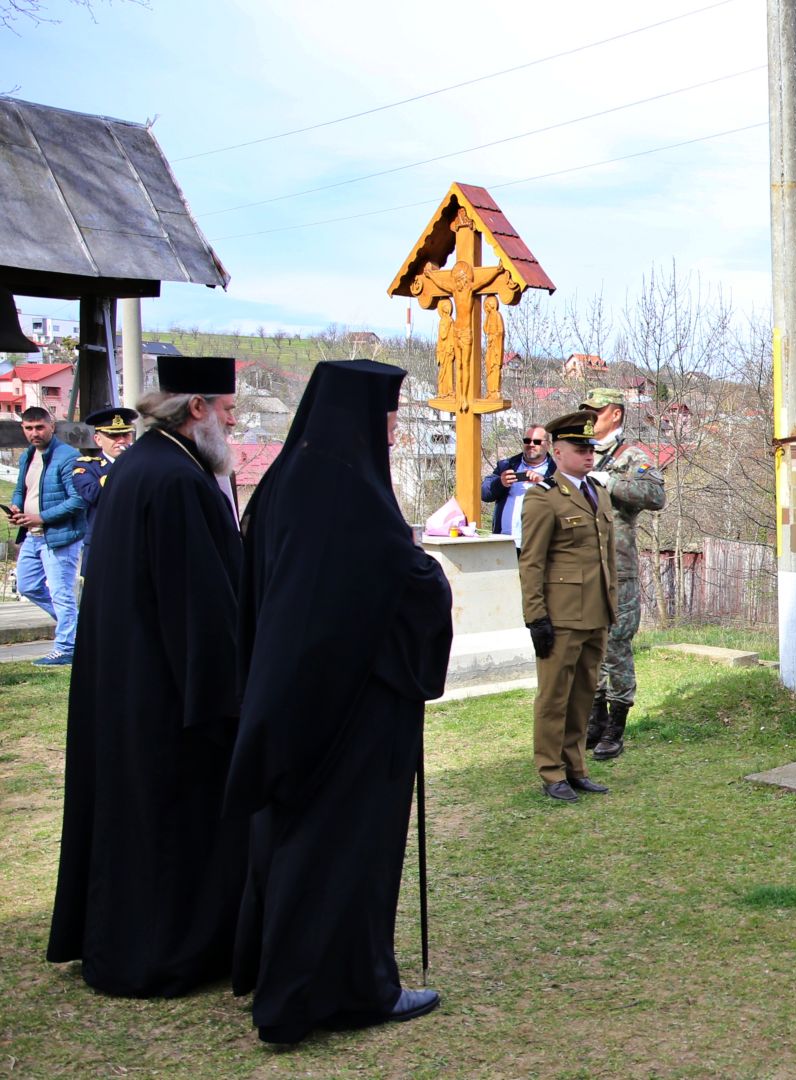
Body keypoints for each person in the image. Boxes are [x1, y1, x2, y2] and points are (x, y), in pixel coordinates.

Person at [227, 360, 452, 1044]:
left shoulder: (285, 479)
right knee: (345, 851)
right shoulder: (348, 493)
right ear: (360, 417)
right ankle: (345, 991)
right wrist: (426, 569)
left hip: (293, 704)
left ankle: (283, 976)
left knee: (295, 845)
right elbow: (399, 586)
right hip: (353, 712)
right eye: (389, 417)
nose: (393, 431)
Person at [46, 356, 246, 996]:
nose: (232, 424)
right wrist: (226, 698)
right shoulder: (177, 479)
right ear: (197, 409)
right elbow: (199, 607)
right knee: (165, 823)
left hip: (128, 680)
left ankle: (121, 939)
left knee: (129, 817)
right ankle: (163, 954)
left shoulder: (142, 464)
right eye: (228, 411)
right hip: (168, 691)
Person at [519, 410, 616, 802]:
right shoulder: (543, 498)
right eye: (579, 449)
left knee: (583, 695)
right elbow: (532, 562)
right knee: (554, 697)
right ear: (557, 452)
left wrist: (611, 606)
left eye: (590, 448)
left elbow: (607, 557)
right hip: (561, 616)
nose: (588, 455)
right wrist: (536, 617)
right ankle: (551, 771)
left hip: (595, 612)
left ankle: (575, 767)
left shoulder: (599, 492)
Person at [580, 387, 665, 759]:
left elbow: (656, 496)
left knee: (615, 645)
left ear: (615, 413)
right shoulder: (582, 452)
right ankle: (595, 720)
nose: (589, 419)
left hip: (617, 566)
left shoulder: (631, 456)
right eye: (586, 412)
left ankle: (616, 726)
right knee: (589, 644)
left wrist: (610, 483)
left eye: (595, 412)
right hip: (583, 565)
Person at [7, 406, 86, 666]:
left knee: (61, 593)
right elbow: (21, 489)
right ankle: (78, 628)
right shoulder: (27, 455)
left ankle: (66, 648)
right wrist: (17, 507)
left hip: (60, 535)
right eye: (29, 428)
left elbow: (78, 500)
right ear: (23, 429)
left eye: (40, 427)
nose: (35, 433)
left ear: (52, 426)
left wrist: (40, 517)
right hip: (32, 534)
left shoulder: (68, 456)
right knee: (28, 585)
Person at [71, 406, 137, 548]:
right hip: (102, 543)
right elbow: (92, 494)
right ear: (98, 440)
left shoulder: (141, 464)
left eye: (126, 435)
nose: (121, 441)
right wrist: (122, 467)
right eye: (113, 436)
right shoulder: (87, 466)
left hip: (135, 541)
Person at [482, 423, 555, 539]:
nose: (531, 444)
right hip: (504, 541)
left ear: (548, 445)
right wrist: (500, 483)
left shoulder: (557, 471)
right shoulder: (506, 465)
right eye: (527, 441)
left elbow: (566, 502)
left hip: (539, 543)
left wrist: (544, 483)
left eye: (537, 441)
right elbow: (484, 494)